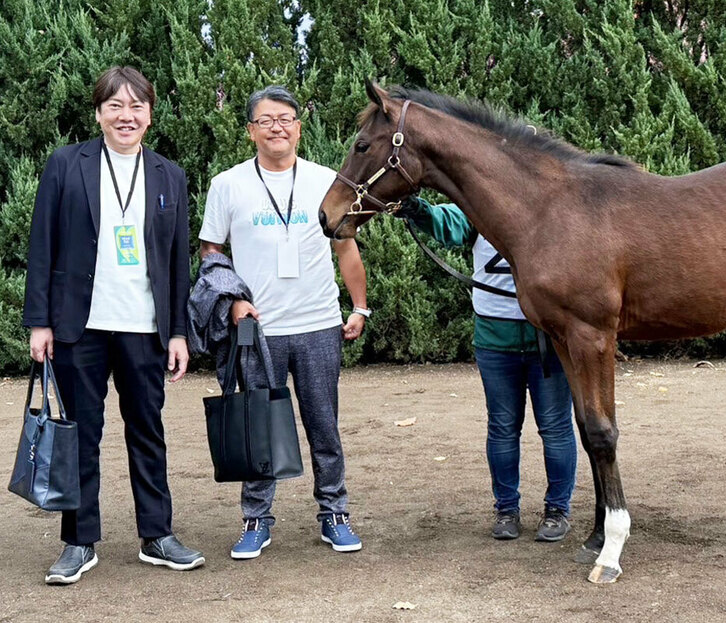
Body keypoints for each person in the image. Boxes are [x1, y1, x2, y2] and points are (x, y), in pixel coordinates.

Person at [23, 66, 204, 585]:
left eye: (136, 106)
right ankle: (79, 542)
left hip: (145, 328)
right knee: (80, 435)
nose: (127, 116)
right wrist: (40, 321)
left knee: (148, 431)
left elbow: (177, 262)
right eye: (115, 106)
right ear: (98, 113)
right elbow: (43, 246)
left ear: (150, 113)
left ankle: (157, 535)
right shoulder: (65, 164)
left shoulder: (169, 173)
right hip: (80, 326)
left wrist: (176, 332)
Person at [198, 85, 368, 560]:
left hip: (317, 324)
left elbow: (346, 247)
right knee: (258, 426)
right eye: (266, 119)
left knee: (323, 425)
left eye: (286, 118)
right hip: (256, 330)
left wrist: (359, 306)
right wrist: (232, 302)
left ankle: (334, 514)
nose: (277, 126)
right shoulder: (227, 185)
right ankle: (256, 519)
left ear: (298, 127)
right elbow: (212, 252)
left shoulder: (325, 181)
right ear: (251, 130)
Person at [398, 197, 577, 541]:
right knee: (504, 427)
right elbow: (444, 222)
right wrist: (415, 208)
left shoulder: (554, 209)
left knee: (553, 427)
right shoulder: (478, 204)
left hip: (549, 337)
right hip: (496, 338)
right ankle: (507, 509)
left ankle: (557, 509)